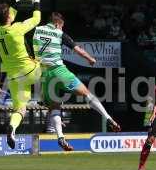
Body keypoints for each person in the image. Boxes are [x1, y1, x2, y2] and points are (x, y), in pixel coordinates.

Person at [33, 12, 121, 151]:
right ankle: (108, 118)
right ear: (57, 24)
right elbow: (77, 49)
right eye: (62, 27)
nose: (62, 29)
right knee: (86, 93)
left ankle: (60, 137)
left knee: (54, 107)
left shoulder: (37, 30)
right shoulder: (59, 33)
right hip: (58, 70)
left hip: (44, 75)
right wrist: (90, 59)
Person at [0, 0, 43, 148]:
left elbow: (10, 11)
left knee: (20, 110)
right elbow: (36, 19)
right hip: (30, 70)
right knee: (47, 58)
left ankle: (12, 129)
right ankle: (51, 99)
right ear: (9, 17)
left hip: (13, 77)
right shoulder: (17, 28)